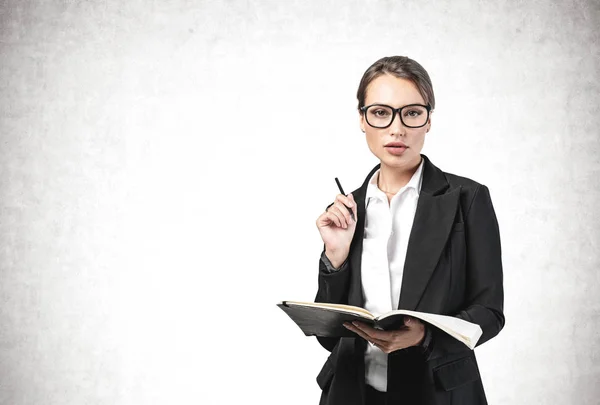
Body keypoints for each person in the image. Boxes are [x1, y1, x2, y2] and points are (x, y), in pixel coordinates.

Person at [314, 56, 504, 405]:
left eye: (412, 113)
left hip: (437, 392)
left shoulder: (468, 199)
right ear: (362, 119)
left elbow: (490, 313)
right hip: (352, 392)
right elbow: (329, 338)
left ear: (428, 120)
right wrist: (335, 259)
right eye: (381, 112)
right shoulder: (346, 209)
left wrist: (425, 336)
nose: (396, 129)